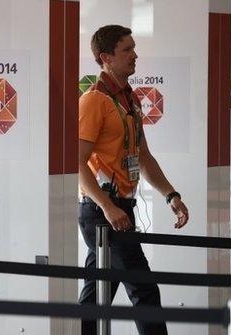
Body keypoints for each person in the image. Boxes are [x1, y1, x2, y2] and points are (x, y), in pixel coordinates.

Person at [78, 25, 190, 335]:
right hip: (103, 211)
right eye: (127, 50)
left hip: (119, 208)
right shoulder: (93, 101)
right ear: (106, 58)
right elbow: (75, 162)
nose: (135, 55)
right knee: (144, 291)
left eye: (133, 48)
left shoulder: (130, 99)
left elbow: (143, 156)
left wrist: (171, 195)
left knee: (96, 296)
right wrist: (108, 207)